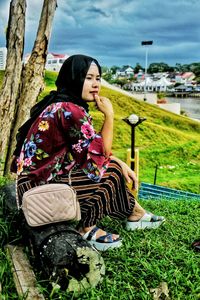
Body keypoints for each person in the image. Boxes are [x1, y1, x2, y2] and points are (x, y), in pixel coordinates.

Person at [11, 54, 165, 251]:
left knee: (112, 166)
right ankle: (88, 228)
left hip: (33, 187)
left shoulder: (61, 104)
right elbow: (101, 154)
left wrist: (118, 161)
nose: (95, 84)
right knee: (110, 171)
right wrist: (109, 116)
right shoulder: (70, 110)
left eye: (98, 78)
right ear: (73, 78)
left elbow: (89, 150)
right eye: (88, 77)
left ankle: (135, 213)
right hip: (40, 195)